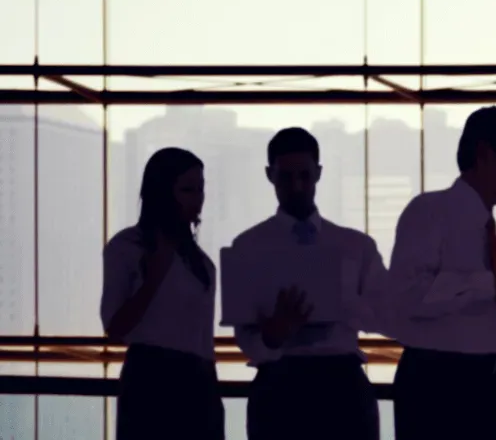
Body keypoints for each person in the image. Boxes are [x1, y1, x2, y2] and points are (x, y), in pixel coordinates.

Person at [382, 106, 496, 440]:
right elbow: (411, 298)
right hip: (440, 386)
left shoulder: (480, 221)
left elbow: (449, 313)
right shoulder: (429, 212)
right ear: (485, 154)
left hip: (481, 385)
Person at [230, 128, 388, 440]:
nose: (297, 186)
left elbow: (386, 314)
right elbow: (243, 336)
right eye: (286, 177)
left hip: (339, 382)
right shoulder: (246, 248)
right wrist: (272, 338)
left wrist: (344, 305)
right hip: (281, 382)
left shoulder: (357, 247)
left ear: (318, 173)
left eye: (304, 175)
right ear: (269, 175)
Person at [100, 147, 223, 440]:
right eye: (187, 189)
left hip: (201, 381)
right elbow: (115, 327)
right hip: (152, 380)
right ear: (162, 192)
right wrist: (153, 280)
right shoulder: (128, 247)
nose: (198, 198)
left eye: (200, 189)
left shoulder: (199, 259)